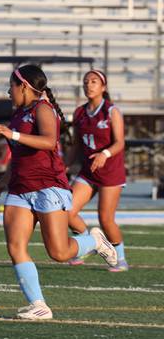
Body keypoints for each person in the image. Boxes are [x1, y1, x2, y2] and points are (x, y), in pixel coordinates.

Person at [0, 65, 117, 320]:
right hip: (20, 189)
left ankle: (95, 241)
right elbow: (19, 155)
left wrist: (11, 133)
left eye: (11, 86)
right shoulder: (18, 114)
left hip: (48, 187)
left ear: (24, 86)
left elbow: (48, 141)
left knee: (59, 253)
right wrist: (3, 181)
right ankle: (39, 305)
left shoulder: (43, 109)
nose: (9, 91)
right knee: (15, 247)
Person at [66, 70, 128, 271]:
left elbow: (120, 143)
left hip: (110, 172)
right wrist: (64, 166)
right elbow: (76, 145)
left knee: (106, 219)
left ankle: (120, 259)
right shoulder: (79, 112)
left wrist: (104, 154)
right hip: (88, 172)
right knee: (67, 211)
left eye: (94, 81)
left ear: (103, 87)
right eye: (86, 82)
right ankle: (88, 243)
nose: (89, 85)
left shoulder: (111, 111)